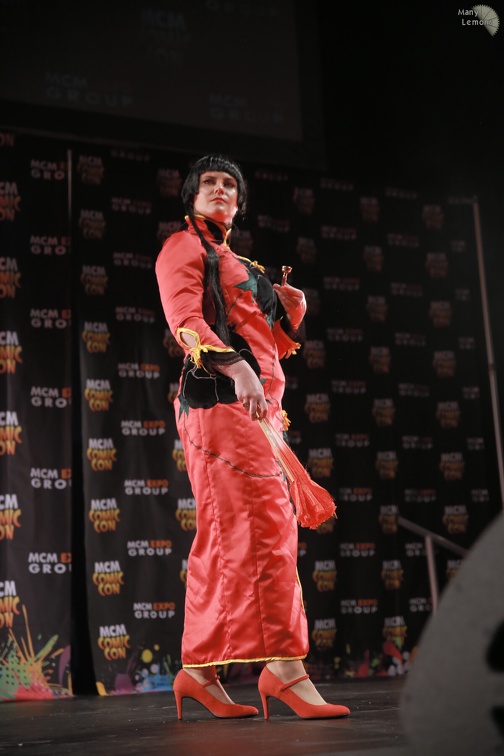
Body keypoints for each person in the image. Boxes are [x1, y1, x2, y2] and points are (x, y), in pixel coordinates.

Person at [155, 154, 350, 721]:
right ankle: (285, 669)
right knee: (264, 528)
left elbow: (270, 342)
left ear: (239, 203)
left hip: (256, 410)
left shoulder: (237, 260)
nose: (220, 189)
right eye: (209, 183)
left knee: (226, 537)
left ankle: (198, 673)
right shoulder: (182, 247)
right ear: (191, 197)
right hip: (220, 405)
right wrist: (236, 366)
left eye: (229, 185)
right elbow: (185, 319)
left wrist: (290, 312)